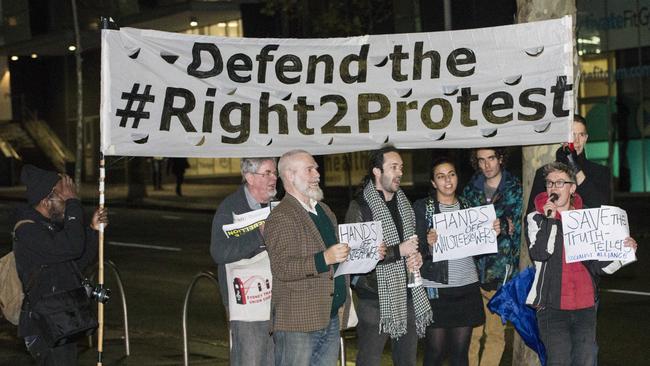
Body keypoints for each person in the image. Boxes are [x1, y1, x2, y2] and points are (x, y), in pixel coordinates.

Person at [525, 162, 638, 366]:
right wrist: (550, 219)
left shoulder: (587, 218)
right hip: (552, 307)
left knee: (586, 361)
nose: (553, 188)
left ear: (572, 188)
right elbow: (540, 253)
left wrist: (624, 252)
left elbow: (598, 266)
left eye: (560, 183)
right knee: (559, 361)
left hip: (585, 306)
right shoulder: (536, 218)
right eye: (550, 183)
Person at [345, 145, 432, 366]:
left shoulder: (405, 204)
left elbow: (413, 243)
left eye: (401, 167)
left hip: (409, 294)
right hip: (374, 298)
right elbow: (354, 257)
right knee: (369, 360)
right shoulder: (360, 207)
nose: (400, 172)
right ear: (377, 171)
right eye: (393, 167)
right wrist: (398, 251)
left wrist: (418, 256)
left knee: (407, 361)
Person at [13, 165, 108, 365]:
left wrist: (92, 230)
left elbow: (74, 263)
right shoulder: (28, 230)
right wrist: (74, 202)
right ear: (47, 200)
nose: (67, 202)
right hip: (44, 325)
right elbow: (71, 248)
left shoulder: (48, 227)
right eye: (63, 197)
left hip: (61, 319)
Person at [264, 149, 352, 366]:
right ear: (290, 176)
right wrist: (324, 258)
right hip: (298, 323)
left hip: (329, 316)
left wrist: (364, 252)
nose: (317, 175)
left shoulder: (323, 210)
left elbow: (338, 254)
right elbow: (282, 268)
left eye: (316, 168)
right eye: (310, 169)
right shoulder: (281, 216)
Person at [414, 157, 500, 366]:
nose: (447, 180)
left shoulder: (469, 206)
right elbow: (414, 249)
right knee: (435, 350)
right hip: (436, 289)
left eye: (451, 174)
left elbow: (477, 249)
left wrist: (491, 235)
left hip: (467, 287)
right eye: (441, 177)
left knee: (461, 353)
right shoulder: (422, 208)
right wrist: (427, 242)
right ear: (433, 183)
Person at [209, 157, 277, 366]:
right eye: (267, 173)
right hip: (246, 301)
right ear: (249, 177)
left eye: (274, 173)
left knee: (274, 358)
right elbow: (219, 252)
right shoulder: (230, 208)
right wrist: (259, 236)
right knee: (250, 357)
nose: (274, 178)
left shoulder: (277, 205)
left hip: (275, 297)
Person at [462, 148, 522, 366]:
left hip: (501, 272)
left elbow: (517, 223)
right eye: (481, 160)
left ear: (500, 159)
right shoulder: (470, 190)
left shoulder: (514, 187)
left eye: (491, 159)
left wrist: (504, 226)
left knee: (496, 333)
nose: (487, 165)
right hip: (474, 271)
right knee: (472, 333)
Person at [528, 114, 611, 213]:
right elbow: (530, 217)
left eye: (581, 135)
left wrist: (577, 169)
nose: (576, 141)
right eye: (572, 135)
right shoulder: (544, 173)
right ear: (562, 138)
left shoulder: (600, 172)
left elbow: (605, 211)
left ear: (586, 138)